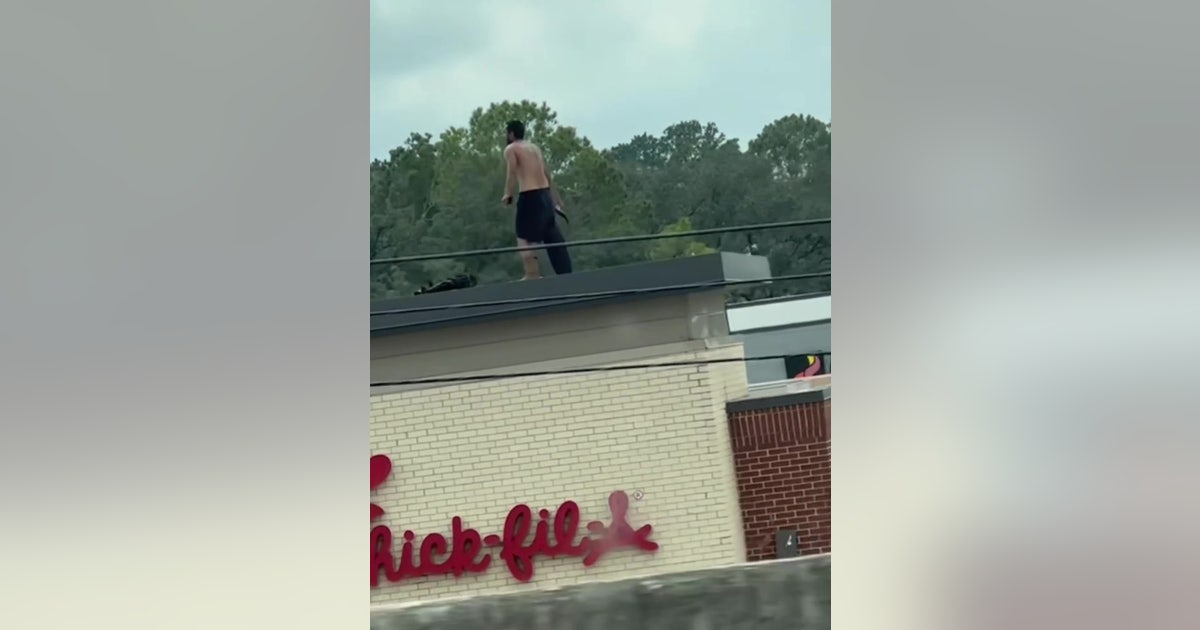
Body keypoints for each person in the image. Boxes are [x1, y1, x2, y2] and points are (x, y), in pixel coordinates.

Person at [500, 120, 573, 279]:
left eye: (506, 133)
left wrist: (508, 193)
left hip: (530, 196)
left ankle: (532, 274)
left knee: (522, 237)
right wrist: (556, 199)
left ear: (511, 133)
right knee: (552, 236)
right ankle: (566, 275)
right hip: (545, 195)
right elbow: (546, 173)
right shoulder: (534, 148)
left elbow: (512, 172)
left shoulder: (511, 149)